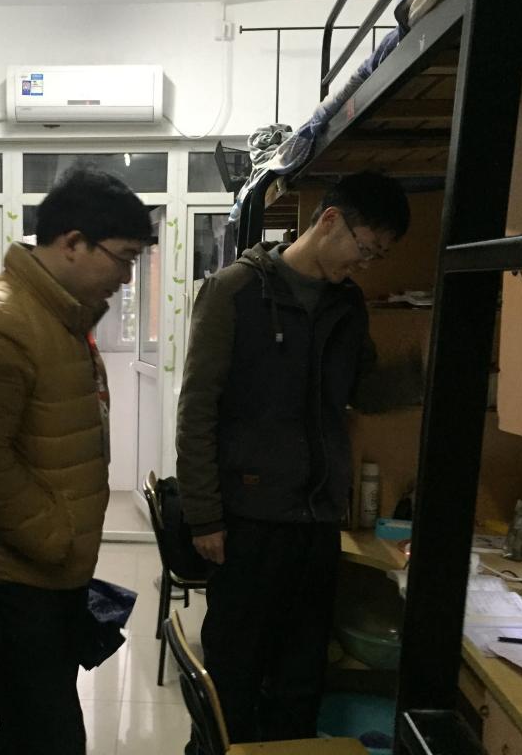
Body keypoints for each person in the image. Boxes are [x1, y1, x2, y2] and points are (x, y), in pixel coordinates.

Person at [176, 171, 410, 747]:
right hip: (247, 521)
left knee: (301, 683)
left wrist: (429, 369)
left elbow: (360, 391)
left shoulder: (347, 304)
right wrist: (204, 516)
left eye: (377, 256)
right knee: (233, 678)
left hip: (317, 522)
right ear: (330, 220)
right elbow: (198, 409)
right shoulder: (235, 291)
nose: (365, 264)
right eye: (365, 248)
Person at [0, 168, 154, 755]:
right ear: (72, 242)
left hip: (52, 574)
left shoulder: (61, 316)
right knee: (50, 736)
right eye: (123, 258)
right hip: (18, 581)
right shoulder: (0, 321)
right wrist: (56, 537)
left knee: (30, 733)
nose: (127, 276)